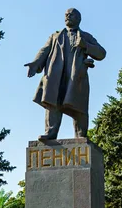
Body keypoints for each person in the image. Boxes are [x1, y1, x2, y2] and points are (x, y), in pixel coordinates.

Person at [25, 8, 106, 140]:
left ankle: (81, 135)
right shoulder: (55, 36)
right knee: (53, 103)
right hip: (56, 76)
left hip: (76, 77)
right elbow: (44, 51)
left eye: (71, 14)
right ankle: (50, 132)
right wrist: (35, 64)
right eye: (66, 14)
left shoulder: (85, 36)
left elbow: (101, 53)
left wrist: (85, 45)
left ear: (78, 19)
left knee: (78, 107)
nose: (67, 16)